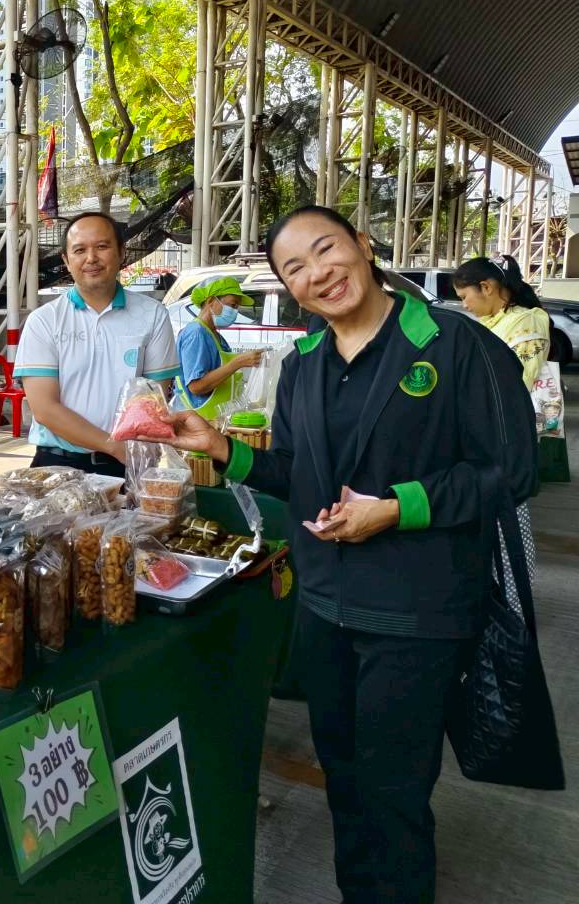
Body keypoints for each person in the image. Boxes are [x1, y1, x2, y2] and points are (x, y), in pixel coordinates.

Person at [160, 205, 536, 904]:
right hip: (326, 608)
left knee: (394, 790)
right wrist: (221, 449)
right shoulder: (304, 365)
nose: (318, 273)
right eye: (294, 268)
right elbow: (298, 475)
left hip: (416, 612)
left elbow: (511, 471)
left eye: (326, 248)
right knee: (344, 779)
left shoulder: (455, 344)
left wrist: (396, 507)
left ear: (363, 244)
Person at [15, 212, 180, 478]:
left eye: (102, 246)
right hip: (58, 464)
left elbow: (153, 397)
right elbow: (44, 409)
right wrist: (112, 446)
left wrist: (131, 451)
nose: (91, 258)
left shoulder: (153, 315)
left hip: (128, 464)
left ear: (121, 253)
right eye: (79, 250)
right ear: (66, 261)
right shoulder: (44, 321)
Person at [453, 254, 551, 390]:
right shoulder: (493, 320)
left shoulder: (525, 322)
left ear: (486, 287)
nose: (464, 305)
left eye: (463, 297)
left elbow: (520, 381)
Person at [173, 276, 264, 419]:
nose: (235, 312)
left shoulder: (216, 336)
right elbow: (196, 387)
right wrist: (238, 362)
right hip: (197, 420)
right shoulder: (196, 333)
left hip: (216, 420)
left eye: (237, 307)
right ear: (211, 301)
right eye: (232, 305)